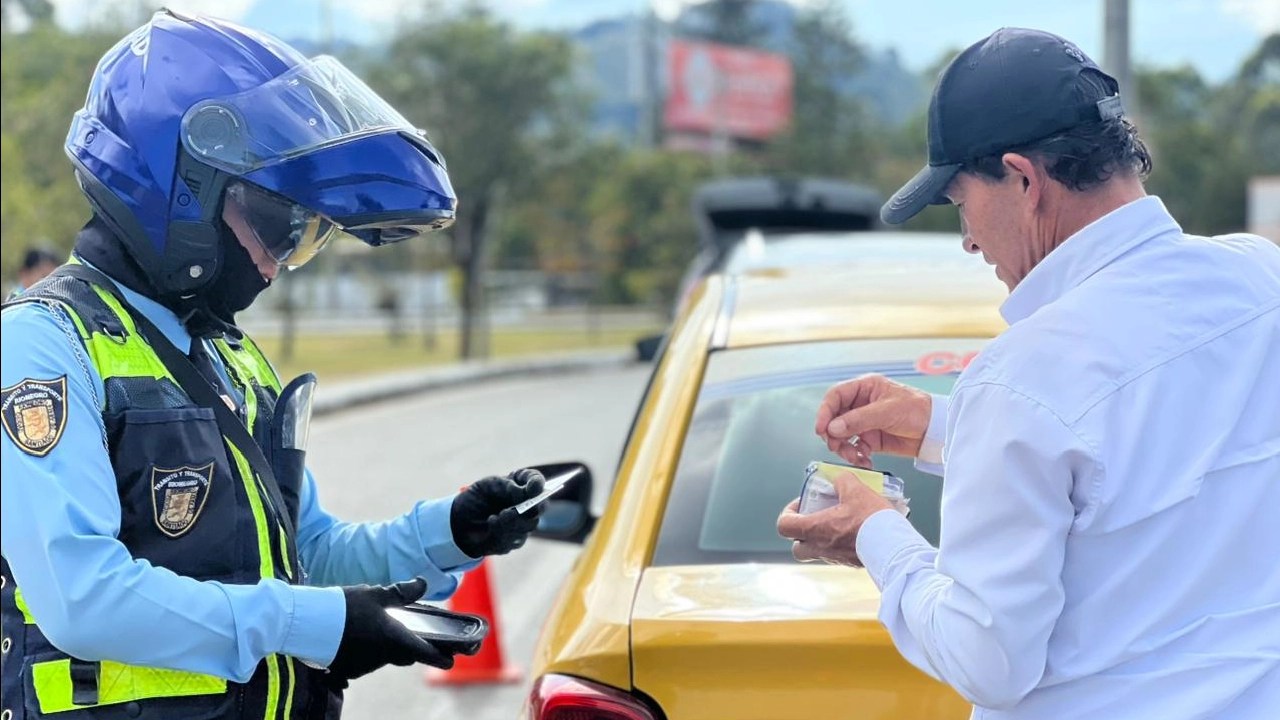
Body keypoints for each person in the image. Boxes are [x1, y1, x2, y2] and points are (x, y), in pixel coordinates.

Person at [1, 11, 547, 720]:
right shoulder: (43, 344)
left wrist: (449, 533)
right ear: (181, 186)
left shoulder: (229, 357)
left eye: (305, 237)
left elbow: (306, 555)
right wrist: (316, 626)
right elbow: (83, 598)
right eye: (276, 226)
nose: (277, 263)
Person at [777, 27, 1280, 719]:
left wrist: (873, 536)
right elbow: (1152, 462)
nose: (969, 239)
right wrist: (942, 428)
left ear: (1023, 179)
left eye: (961, 204)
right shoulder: (1260, 278)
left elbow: (989, 660)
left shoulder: (1021, 380)